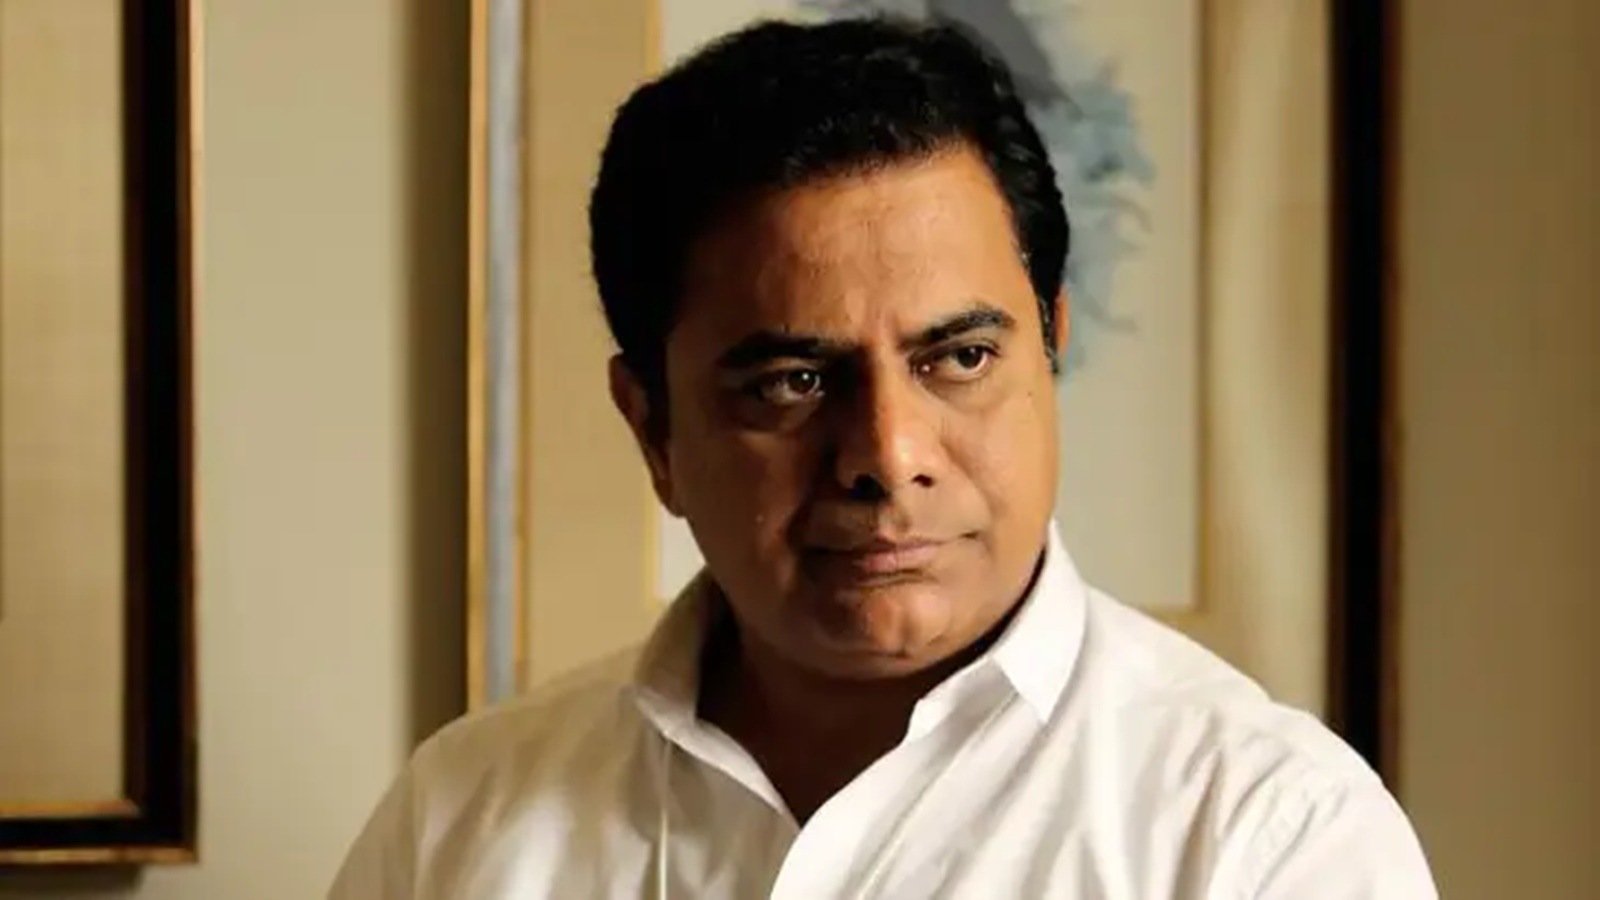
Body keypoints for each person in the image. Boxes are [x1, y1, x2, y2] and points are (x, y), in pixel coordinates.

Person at [330, 17, 1436, 898]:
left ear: (1049, 348)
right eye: (791, 382)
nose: (888, 457)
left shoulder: (1263, 834)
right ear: (652, 426)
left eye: (959, 358)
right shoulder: (462, 823)